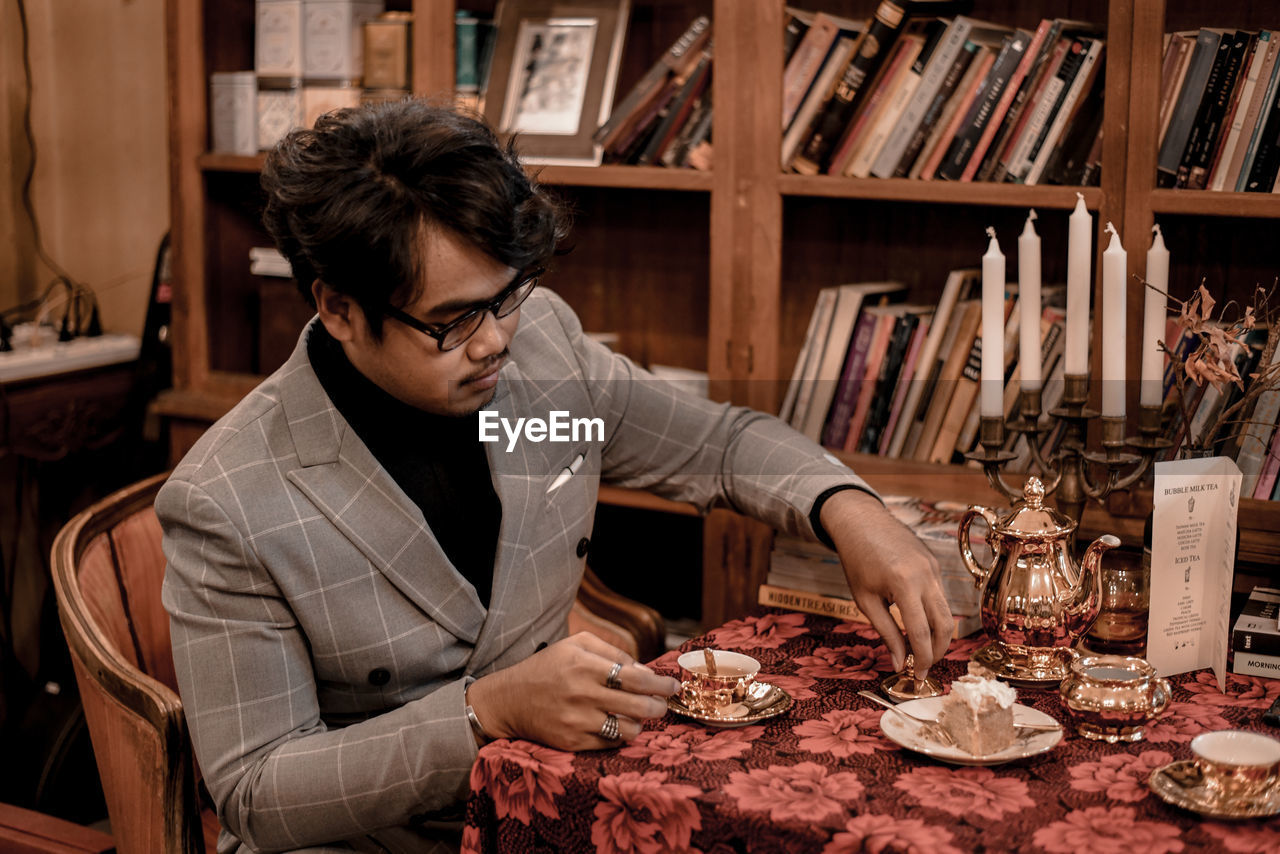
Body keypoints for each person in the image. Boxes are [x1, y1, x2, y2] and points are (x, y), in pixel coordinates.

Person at [157, 99, 952, 853]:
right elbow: (257, 789)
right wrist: (483, 714)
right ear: (337, 308)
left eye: (508, 295)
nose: (495, 341)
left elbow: (717, 444)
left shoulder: (538, 348)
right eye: (454, 319)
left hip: (559, 809)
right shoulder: (230, 497)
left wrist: (848, 509)